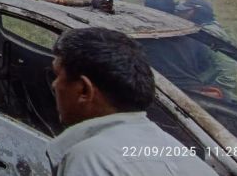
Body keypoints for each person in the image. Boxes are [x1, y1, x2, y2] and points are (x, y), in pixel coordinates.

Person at [47, 27, 216, 176]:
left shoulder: (91, 159)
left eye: (57, 75)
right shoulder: (179, 153)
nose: (54, 85)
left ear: (85, 90)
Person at [175, 0, 237, 102]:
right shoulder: (202, 29)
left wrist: (218, 91)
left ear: (195, 12)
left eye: (185, 11)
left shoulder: (209, 33)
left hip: (216, 97)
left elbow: (228, 65)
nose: (180, 13)